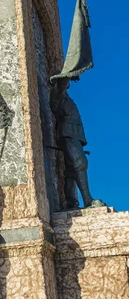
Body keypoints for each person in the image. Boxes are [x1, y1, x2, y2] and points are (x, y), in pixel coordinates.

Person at [50, 78, 104, 209]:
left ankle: (71, 203)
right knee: (80, 163)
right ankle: (88, 200)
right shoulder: (57, 93)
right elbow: (61, 86)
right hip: (67, 133)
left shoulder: (66, 98)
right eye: (64, 81)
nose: (67, 84)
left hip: (72, 134)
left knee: (70, 171)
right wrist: (68, 74)